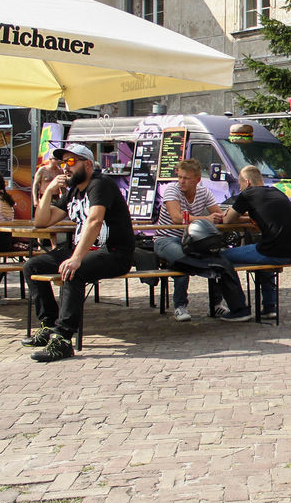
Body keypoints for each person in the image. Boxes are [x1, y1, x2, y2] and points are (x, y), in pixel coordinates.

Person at [20, 143, 136, 363]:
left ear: (88, 165)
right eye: (63, 162)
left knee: (75, 270)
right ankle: (49, 325)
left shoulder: (99, 185)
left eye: (71, 162)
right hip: (85, 250)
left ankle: (63, 339)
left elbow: (95, 220)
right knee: (31, 266)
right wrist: (49, 192)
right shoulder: (73, 191)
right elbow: (42, 221)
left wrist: (75, 258)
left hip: (113, 253)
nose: (65, 167)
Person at [222, 165, 291, 320]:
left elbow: (227, 221)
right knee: (265, 249)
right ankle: (269, 307)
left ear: (247, 182)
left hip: (274, 252)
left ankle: (239, 309)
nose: (240, 188)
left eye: (240, 184)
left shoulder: (248, 194)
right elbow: (261, 215)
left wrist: (226, 215)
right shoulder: (277, 192)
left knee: (221, 257)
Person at [153, 158, 223, 322]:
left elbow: (218, 215)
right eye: (180, 177)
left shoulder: (203, 192)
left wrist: (219, 217)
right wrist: (207, 218)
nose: (181, 181)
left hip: (192, 240)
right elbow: (177, 218)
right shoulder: (172, 190)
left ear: (197, 180)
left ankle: (216, 303)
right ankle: (180, 306)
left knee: (218, 258)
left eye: (186, 178)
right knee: (181, 258)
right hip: (166, 238)